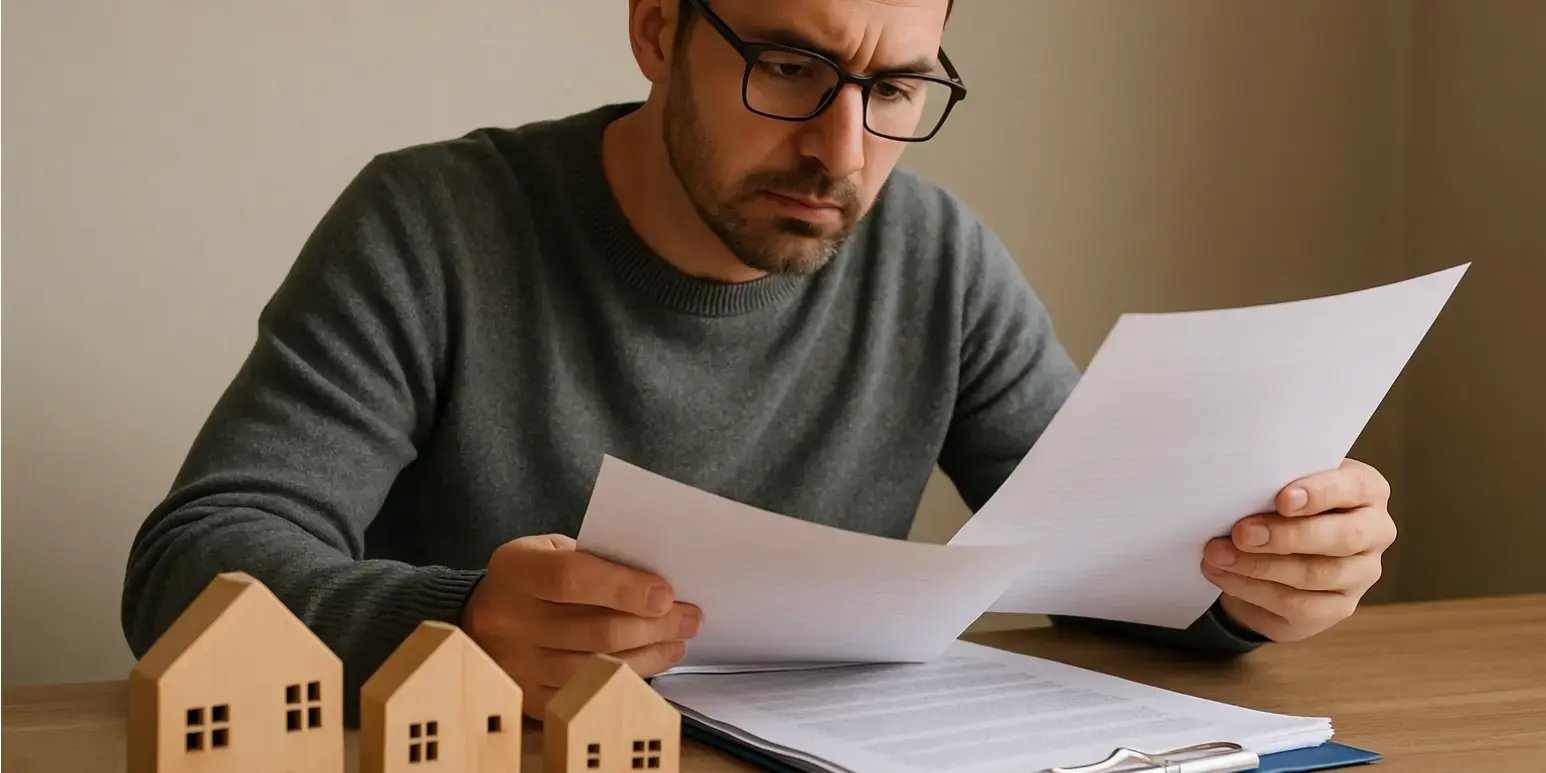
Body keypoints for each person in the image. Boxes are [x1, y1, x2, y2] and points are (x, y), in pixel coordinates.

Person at [121, 0, 1396, 723]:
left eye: (896, 89)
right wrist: (451, 620)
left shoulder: (934, 256)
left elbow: (1106, 556)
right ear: (658, 27)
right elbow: (188, 564)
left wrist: (1249, 577)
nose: (842, 151)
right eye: (792, 66)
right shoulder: (433, 225)